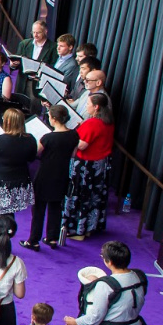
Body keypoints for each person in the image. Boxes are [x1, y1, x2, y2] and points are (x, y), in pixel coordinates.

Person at [61, 92, 114, 241]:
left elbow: (82, 145)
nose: (86, 106)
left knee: (80, 196)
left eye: (89, 104)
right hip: (100, 166)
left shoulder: (92, 123)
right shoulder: (108, 122)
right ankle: (89, 228)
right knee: (93, 198)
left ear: (96, 107)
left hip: (86, 167)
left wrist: (67, 137)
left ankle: (78, 230)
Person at [26, 104, 78, 250]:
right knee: (55, 208)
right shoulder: (74, 135)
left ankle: (33, 240)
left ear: (54, 119)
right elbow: (73, 155)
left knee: (38, 209)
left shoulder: (48, 137)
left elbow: (34, 154)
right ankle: (52, 238)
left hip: (45, 176)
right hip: (61, 175)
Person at [0, 108, 38, 219]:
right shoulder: (30, 139)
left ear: (8, 122)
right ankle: (8, 233)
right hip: (18, 181)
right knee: (10, 213)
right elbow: (31, 158)